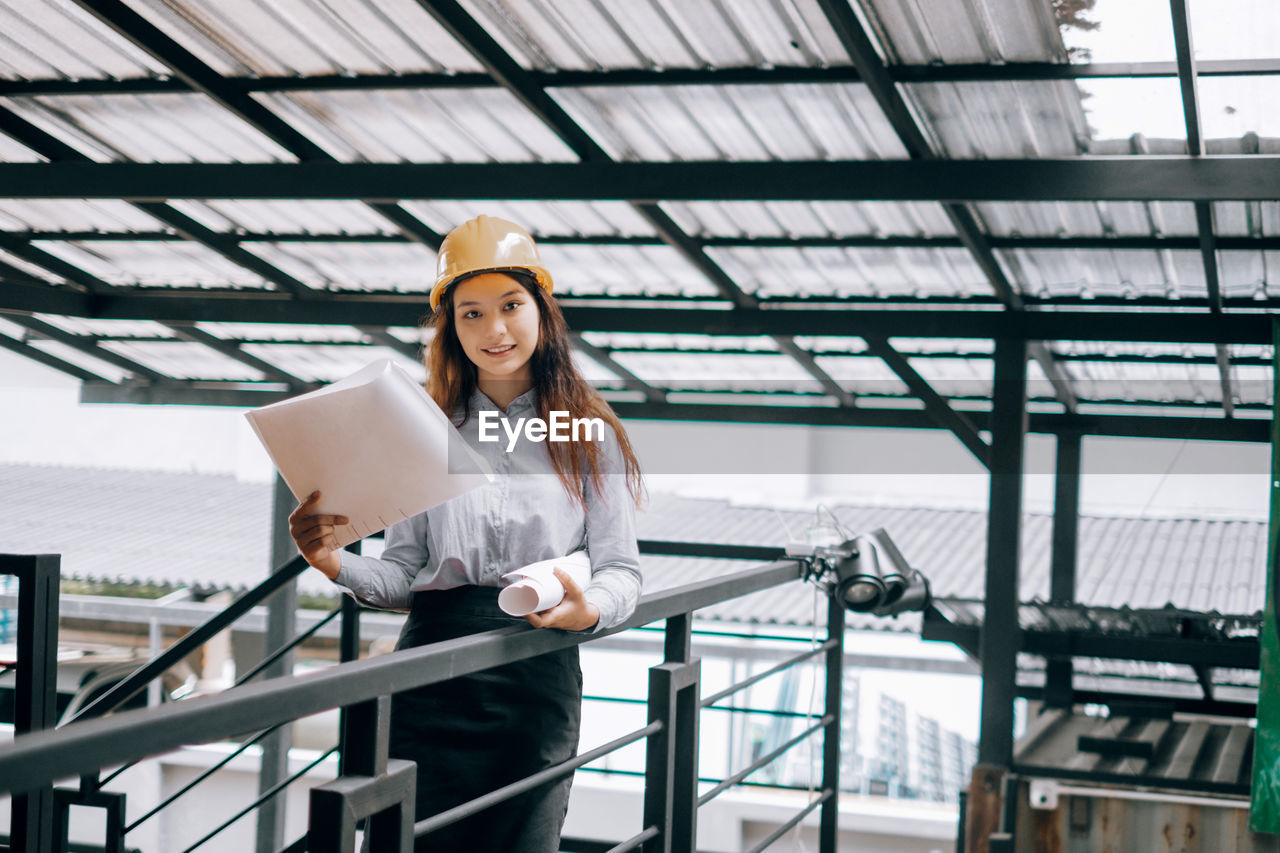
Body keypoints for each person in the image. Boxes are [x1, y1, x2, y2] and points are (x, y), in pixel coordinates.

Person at [287, 214, 645, 852]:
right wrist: (332, 562)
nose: (494, 329)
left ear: (542, 309)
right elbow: (403, 576)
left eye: (510, 306)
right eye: (470, 313)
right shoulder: (426, 429)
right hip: (430, 673)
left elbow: (622, 570)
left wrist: (587, 612)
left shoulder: (589, 434)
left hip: (536, 671)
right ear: (450, 326)